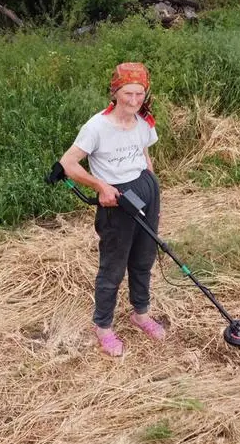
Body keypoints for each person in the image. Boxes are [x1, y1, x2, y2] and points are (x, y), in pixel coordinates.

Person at [59, 62, 165, 357]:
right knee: (113, 267)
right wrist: (101, 187)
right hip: (117, 200)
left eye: (139, 94)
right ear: (115, 92)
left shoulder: (143, 122)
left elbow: (146, 159)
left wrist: (156, 198)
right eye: (128, 94)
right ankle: (103, 327)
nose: (134, 101)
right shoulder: (96, 127)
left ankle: (140, 314)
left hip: (145, 191)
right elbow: (67, 164)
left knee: (144, 259)